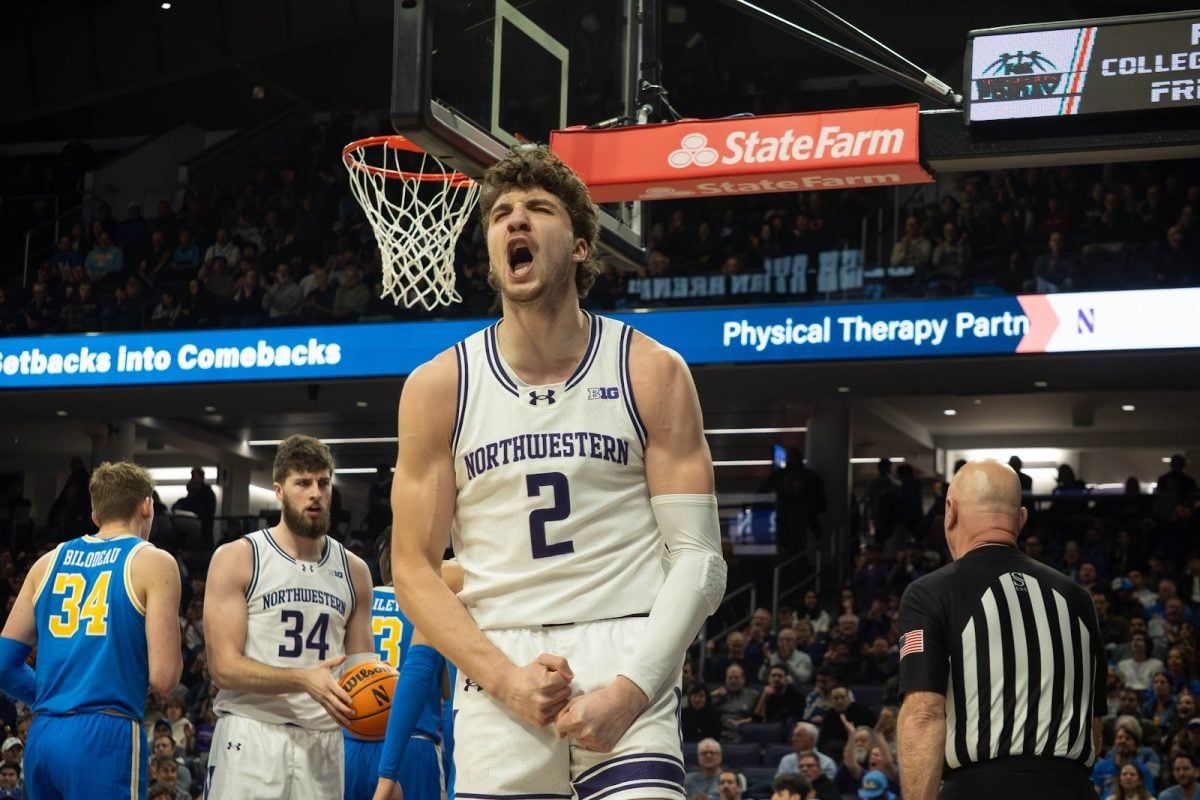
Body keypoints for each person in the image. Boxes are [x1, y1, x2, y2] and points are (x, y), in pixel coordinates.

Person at [389, 147, 726, 798]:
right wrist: (506, 678)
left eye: (538, 210)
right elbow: (412, 571)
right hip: (500, 658)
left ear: (578, 246)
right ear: (489, 251)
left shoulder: (649, 370)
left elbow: (700, 561)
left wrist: (631, 691)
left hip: (627, 643)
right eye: (501, 215)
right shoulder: (438, 387)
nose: (516, 222)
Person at [897, 460, 1107, 800]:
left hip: (980, 788)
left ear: (949, 512)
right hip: (1074, 788)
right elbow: (1094, 729)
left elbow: (923, 715)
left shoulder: (930, 593)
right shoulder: (1078, 598)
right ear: (1021, 519)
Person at [203, 434, 375, 799]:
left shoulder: (355, 570)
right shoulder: (239, 557)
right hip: (253, 735)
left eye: (323, 483)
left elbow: (362, 672)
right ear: (279, 491)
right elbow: (223, 667)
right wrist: (302, 679)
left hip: (324, 743)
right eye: (303, 483)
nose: (315, 493)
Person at [0, 461, 182, 799]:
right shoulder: (154, 562)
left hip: (43, 734)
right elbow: (164, 678)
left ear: (96, 515)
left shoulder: (47, 562)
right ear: (147, 505)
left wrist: (53, 698)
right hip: (105, 736)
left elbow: (3, 666)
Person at [344, 529, 450, 800]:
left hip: (348, 746)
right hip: (413, 748)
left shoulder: (354, 606)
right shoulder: (435, 607)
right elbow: (450, 701)